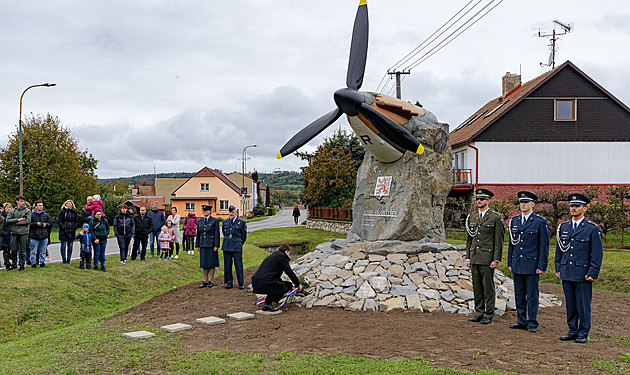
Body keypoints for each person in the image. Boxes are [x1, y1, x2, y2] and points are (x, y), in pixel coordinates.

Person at [555, 193, 603, 344]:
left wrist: (593, 272)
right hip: (567, 271)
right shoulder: (564, 227)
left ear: (584, 208)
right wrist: (558, 267)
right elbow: (559, 250)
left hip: (583, 273)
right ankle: (572, 331)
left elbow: (597, 254)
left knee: (582, 304)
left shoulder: (592, 229)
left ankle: (583, 332)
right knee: (570, 304)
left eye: (577, 206)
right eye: (572, 206)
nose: (573, 209)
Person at [507, 191, 550, 333]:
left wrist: (541, 265)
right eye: (521, 202)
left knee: (532, 295)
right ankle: (521, 320)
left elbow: (544, 246)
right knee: (519, 294)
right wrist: (510, 261)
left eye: (526, 202)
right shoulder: (515, 221)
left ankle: (532, 322)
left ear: (533, 204)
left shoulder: (540, 222)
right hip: (517, 262)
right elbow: (512, 244)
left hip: (532, 264)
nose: (523, 205)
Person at [465, 188, 505, 325]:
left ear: (488, 200)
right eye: (477, 199)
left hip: (487, 258)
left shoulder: (495, 217)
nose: (479, 201)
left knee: (488, 287)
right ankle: (478, 312)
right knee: (477, 286)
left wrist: (496, 259)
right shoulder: (472, 217)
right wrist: (468, 257)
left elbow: (499, 241)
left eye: (482, 199)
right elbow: (469, 239)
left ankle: (488, 313)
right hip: (475, 257)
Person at [252, 243, 302, 311]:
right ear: (286, 251)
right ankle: (267, 303)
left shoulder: (274, 255)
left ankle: (266, 304)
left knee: (278, 285)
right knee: (287, 286)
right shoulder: (282, 257)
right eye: (288, 253)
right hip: (265, 282)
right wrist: (297, 284)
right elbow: (289, 272)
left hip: (257, 281)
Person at [222, 205, 247, 289]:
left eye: (233, 212)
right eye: (230, 212)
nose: (231, 214)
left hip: (236, 246)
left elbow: (243, 236)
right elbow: (224, 232)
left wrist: (239, 243)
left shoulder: (242, 222)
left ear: (236, 212)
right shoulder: (225, 222)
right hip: (227, 245)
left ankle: (241, 283)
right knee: (227, 265)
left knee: (238, 265)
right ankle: (229, 282)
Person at [196, 205, 220, 288]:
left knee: (211, 263)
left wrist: (216, 245)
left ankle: (211, 280)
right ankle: (205, 280)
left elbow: (217, 233)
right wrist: (197, 245)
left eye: (206, 210)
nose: (204, 212)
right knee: (204, 263)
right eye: (203, 210)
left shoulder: (214, 220)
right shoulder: (200, 221)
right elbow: (198, 233)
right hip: (203, 244)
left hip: (211, 244)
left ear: (210, 211)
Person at [6, 196, 31, 271]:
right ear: (17, 201)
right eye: (20, 201)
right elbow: (8, 220)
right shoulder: (13, 211)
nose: (22, 202)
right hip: (14, 233)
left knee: (23, 250)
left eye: (23, 201)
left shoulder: (27, 211)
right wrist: (18, 220)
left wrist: (16, 223)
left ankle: (22, 265)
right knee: (13, 250)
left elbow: (27, 221)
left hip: (23, 233)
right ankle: (14, 265)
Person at [29, 201, 52, 268]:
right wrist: (36, 224)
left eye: (41, 205)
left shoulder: (46, 215)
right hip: (34, 236)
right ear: (35, 207)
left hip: (44, 235)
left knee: (43, 251)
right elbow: (29, 224)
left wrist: (46, 224)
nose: (41, 206)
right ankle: (33, 263)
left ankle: (42, 263)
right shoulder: (31, 215)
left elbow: (50, 223)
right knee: (33, 251)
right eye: (39, 205)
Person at [57, 200, 78, 264]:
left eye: (70, 204)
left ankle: (69, 258)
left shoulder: (74, 212)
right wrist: (63, 227)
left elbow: (76, 221)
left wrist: (74, 227)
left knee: (70, 246)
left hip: (71, 231)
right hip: (64, 231)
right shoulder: (62, 212)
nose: (69, 205)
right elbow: (59, 221)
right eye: (67, 203)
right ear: (65, 204)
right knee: (63, 246)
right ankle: (64, 259)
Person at [1, 203, 13, 270]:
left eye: (9, 207)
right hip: (4, 235)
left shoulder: (13, 216)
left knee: (14, 249)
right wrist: (3, 233)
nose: (8, 209)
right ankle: (7, 263)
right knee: (6, 250)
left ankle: (13, 262)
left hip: (12, 234)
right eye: (7, 208)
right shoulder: (2, 216)